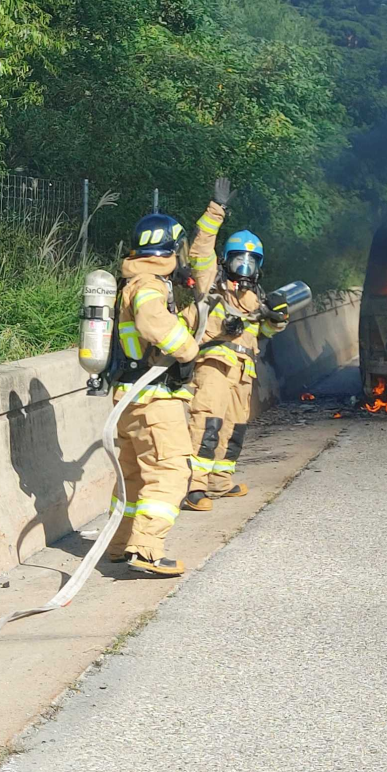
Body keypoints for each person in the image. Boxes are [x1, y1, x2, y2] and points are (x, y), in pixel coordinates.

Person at [183, 182, 290, 511]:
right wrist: (217, 209)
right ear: (226, 260)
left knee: (234, 429)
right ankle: (193, 487)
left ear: (259, 266)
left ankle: (219, 481)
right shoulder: (211, 283)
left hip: (243, 372)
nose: (244, 268)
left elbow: (263, 333)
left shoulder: (256, 297)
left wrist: (278, 318)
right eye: (238, 261)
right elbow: (200, 248)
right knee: (207, 423)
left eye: (250, 263)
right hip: (214, 365)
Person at [106, 212, 199, 576]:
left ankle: (118, 545)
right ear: (168, 249)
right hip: (154, 398)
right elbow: (152, 322)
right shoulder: (149, 284)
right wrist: (187, 349)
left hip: (130, 397)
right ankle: (145, 551)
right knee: (169, 471)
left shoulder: (132, 280)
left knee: (132, 477)